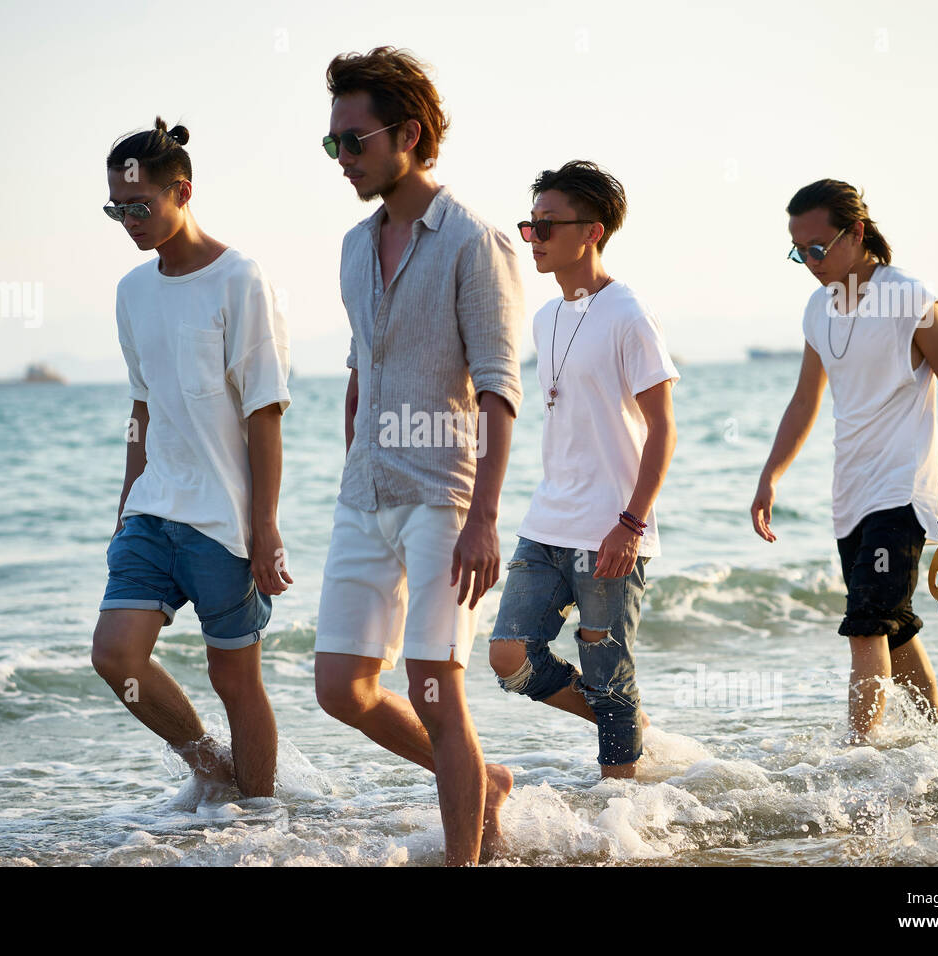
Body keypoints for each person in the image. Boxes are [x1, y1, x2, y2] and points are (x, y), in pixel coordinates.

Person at [313, 47, 522, 866]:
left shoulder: (476, 241)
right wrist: (349, 469)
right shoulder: (352, 247)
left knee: (436, 693)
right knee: (342, 689)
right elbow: (361, 374)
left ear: (408, 134)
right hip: (364, 497)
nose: (341, 159)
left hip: (444, 501)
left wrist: (483, 521)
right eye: (331, 143)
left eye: (353, 141)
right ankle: (485, 785)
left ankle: (464, 851)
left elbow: (499, 391)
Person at [90, 117, 293, 798]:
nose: (129, 221)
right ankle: (213, 771)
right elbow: (141, 410)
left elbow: (265, 411)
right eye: (117, 208)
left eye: (140, 206)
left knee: (236, 681)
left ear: (183, 191)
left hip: (223, 521)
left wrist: (265, 527)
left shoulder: (240, 278)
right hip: (153, 508)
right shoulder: (130, 291)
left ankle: (259, 822)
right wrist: (125, 506)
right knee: (114, 655)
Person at [488, 160, 678, 778]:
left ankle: (622, 816)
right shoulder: (545, 319)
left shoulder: (628, 313)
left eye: (547, 226)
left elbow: (663, 429)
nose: (534, 239)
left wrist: (630, 523)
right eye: (530, 226)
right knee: (508, 656)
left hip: (610, 528)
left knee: (606, 669)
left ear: (591, 231)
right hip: (547, 518)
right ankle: (629, 725)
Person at [752, 179, 938, 741]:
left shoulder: (910, 297)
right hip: (851, 496)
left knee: (865, 625)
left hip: (903, 491)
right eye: (800, 252)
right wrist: (770, 475)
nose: (810, 262)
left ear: (856, 233)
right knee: (893, 629)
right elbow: (804, 401)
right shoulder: (817, 308)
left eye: (819, 248)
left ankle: (857, 759)